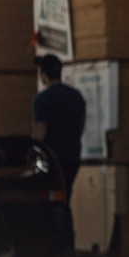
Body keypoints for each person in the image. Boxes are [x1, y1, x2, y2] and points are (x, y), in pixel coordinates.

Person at [31, 55, 86, 193]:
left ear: (43, 75)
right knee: (65, 196)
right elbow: (80, 127)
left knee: (49, 199)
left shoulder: (42, 99)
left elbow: (40, 134)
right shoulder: (76, 96)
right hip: (73, 156)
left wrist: (31, 154)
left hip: (52, 159)